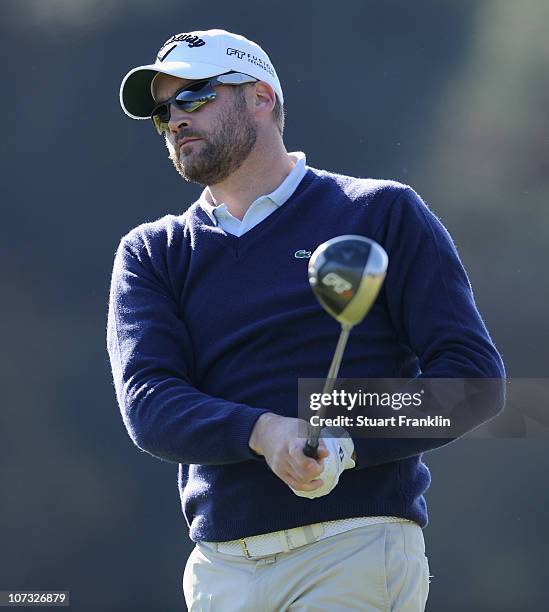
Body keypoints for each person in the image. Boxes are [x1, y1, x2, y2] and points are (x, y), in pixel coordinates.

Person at [108, 28, 505, 611]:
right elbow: (150, 402)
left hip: (353, 548)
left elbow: (474, 382)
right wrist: (266, 432)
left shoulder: (377, 212)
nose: (175, 121)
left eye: (193, 97)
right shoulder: (153, 252)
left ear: (261, 97)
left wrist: (341, 438)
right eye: (163, 112)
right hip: (221, 567)